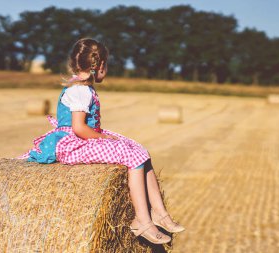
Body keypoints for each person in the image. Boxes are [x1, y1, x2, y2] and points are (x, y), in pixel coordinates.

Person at [21, 38, 184, 244]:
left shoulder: (82, 88)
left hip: (81, 138)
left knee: (139, 149)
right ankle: (141, 220)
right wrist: (102, 137)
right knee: (132, 156)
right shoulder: (79, 91)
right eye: (106, 65)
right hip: (72, 143)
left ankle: (159, 213)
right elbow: (79, 128)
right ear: (100, 66)